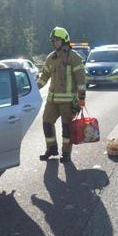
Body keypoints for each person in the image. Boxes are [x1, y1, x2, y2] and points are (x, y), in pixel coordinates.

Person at [36, 27, 86, 163]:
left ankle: (66, 153)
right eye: (53, 41)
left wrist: (81, 98)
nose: (55, 43)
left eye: (57, 40)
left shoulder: (74, 57)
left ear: (64, 40)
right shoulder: (50, 57)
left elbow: (81, 79)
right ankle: (51, 148)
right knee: (46, 122)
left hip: (68, 101)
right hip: (52, 100)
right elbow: (44, 77)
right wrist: (34, 89)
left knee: (66, 128)